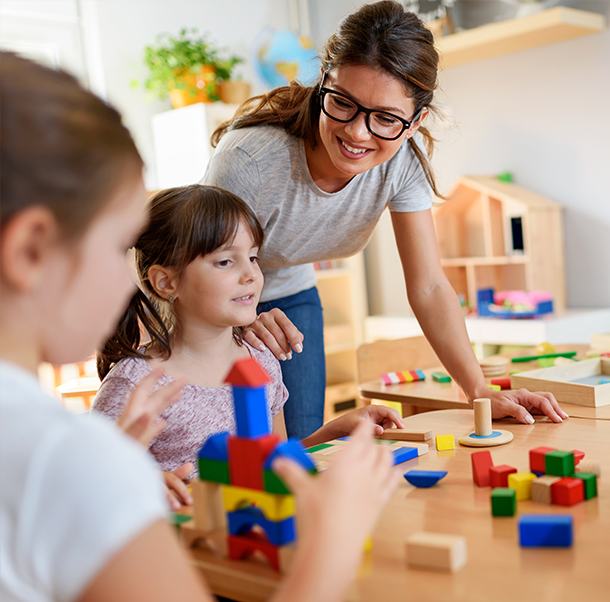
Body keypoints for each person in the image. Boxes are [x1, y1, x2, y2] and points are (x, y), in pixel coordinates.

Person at [0, 51, 401, 602]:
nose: (128, 282)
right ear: (31, 250)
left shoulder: (73, 450)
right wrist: (333, 541)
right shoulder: (67, 457)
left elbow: (271, 457)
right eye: (118, 246)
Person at [203, 0, 568, 439]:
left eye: (385, 118)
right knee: (222, 448)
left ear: (415, 122)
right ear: (323, 84)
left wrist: (478, 389)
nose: (357, 133)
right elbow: (192, 265)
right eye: (342, 103)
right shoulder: (251, 159)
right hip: (205, 297)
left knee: (299, 452)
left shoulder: (400, 165)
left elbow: (429, 286)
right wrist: (239, 320)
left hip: (289, 297)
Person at [92, 184, 405, 510]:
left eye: (253, 257)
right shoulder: (135, 385)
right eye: (226, 262)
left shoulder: (262, 360)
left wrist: (335, 432)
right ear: (166, 282)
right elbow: (91, 492)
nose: (251, 275)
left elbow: (275, 462)